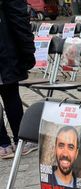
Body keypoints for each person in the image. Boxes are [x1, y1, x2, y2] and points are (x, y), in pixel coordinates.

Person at [0, 0, 39, 159]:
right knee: (10, 95)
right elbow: (19, 20)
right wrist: (28, 51)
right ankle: (21, 140)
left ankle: (3, 144)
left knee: (10, 94)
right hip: (4, 49)